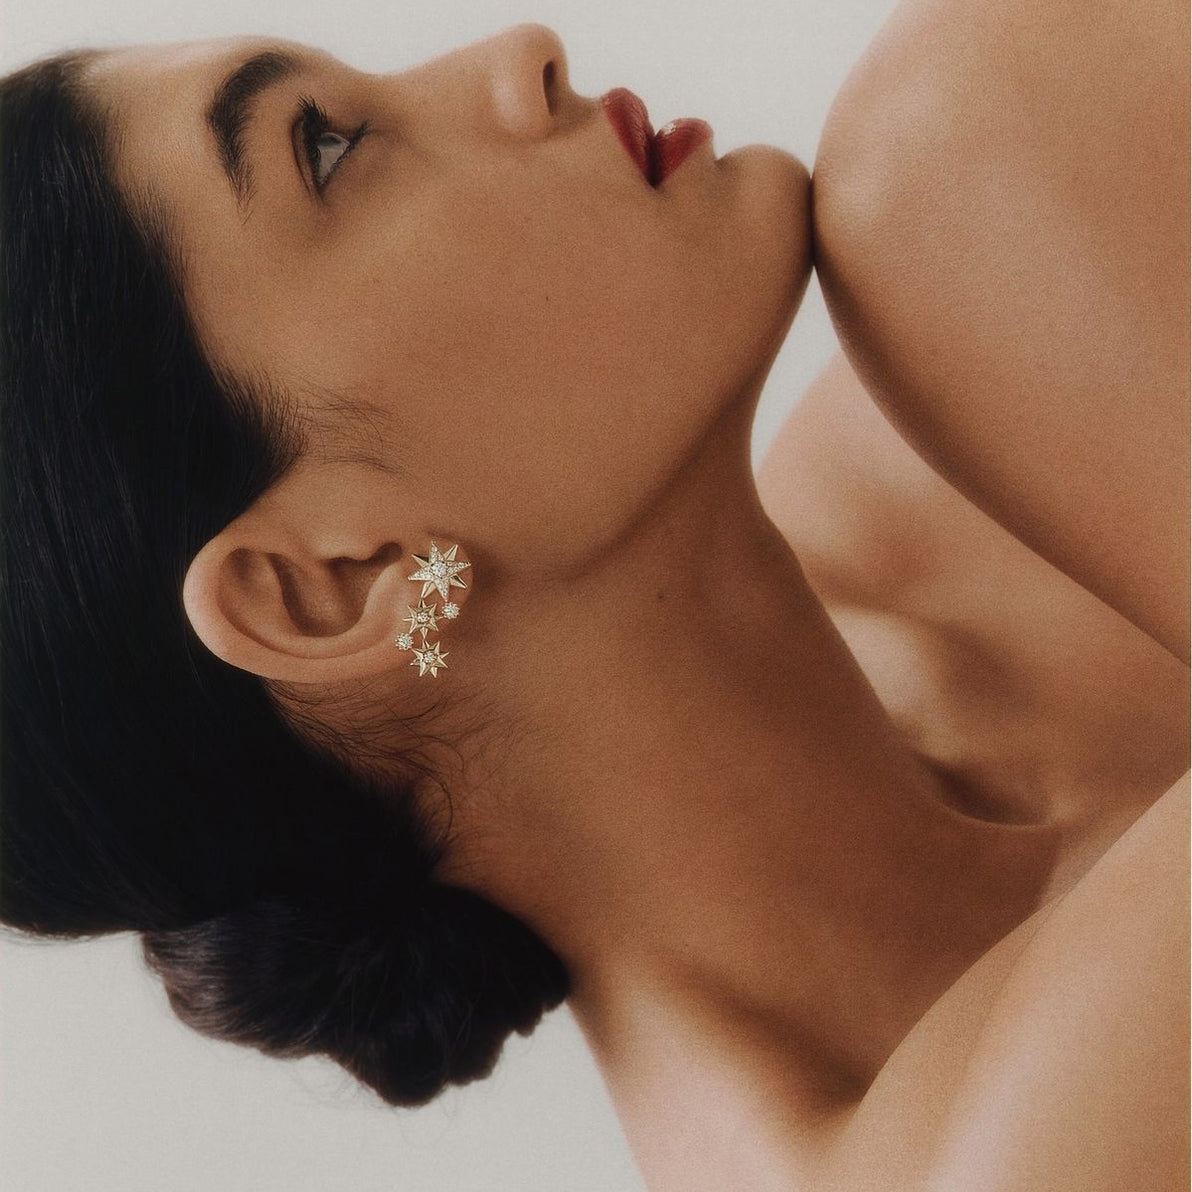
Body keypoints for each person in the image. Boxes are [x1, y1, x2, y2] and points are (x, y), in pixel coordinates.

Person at [1, 7, 1186, 1189]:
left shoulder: (962, 357)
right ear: (331, 585)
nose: (524, 52)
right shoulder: (989, 1161)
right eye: (328, 148)